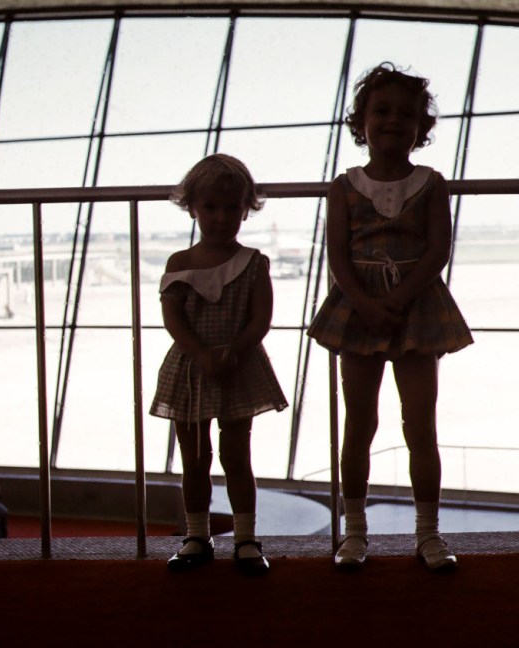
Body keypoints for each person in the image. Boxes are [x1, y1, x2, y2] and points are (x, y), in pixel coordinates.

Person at [307, 63, 473, 572]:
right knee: (359, 423)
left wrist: (397, 298)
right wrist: (365, 302)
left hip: (415, 307)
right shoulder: (344, 186)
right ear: (361, 121)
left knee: (420, 423)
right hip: (358, 307)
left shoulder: (431, 183)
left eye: (406, 114)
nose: (393, 121)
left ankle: (428, 533)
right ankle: (355, 533)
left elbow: (437, 249)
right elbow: (337, 255)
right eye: (382, 111)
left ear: (422, 126)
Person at [150, 153, 288, 575]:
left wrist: (233, 351)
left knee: (236, 455)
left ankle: (245, 537)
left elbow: (260, 319)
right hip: (192, 369)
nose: (221, 217)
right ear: (192, 207)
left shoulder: (254, 262)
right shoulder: (179, 263)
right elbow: (173, 318)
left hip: (236, 366)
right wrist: (201, 352)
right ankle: (197, 534)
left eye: (231, 207)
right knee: (194, 458)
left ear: (246, 209)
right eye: (210, 207)